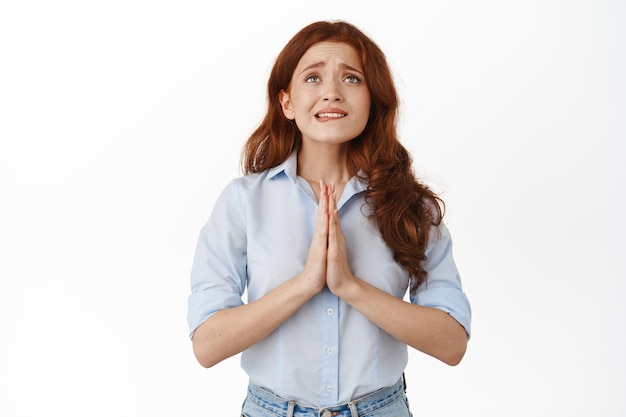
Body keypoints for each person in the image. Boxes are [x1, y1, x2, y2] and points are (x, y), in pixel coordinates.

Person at [187, 20, 471, 417]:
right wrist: (305, 284)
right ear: (286, 102)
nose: (332, 93)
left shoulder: (411, 206)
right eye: (313, 77)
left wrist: (349, 287)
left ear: (373, 99)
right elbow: (207, 345)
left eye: (352, 78)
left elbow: (452, 343)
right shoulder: (243, 202)